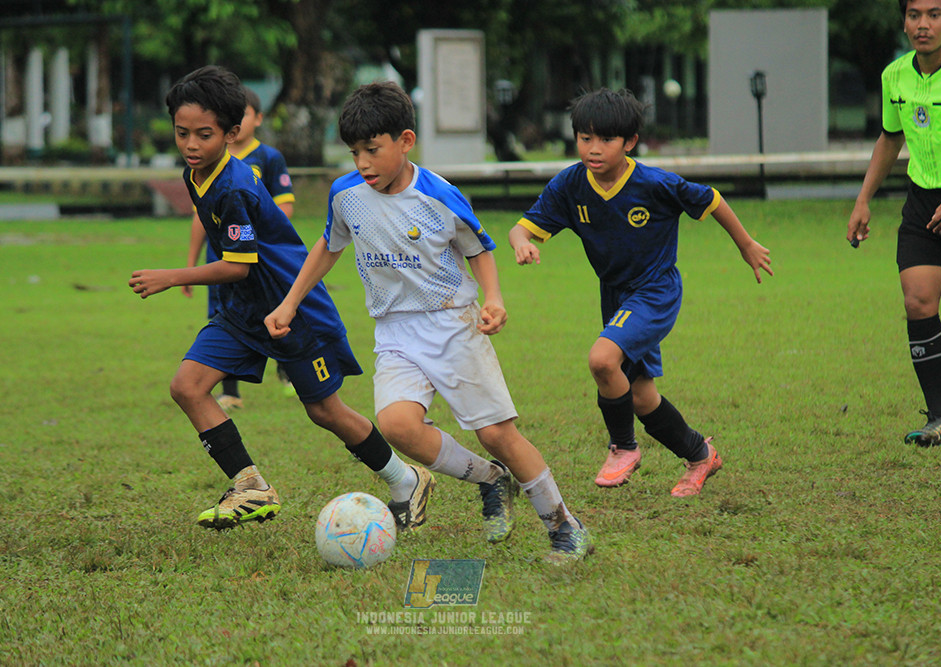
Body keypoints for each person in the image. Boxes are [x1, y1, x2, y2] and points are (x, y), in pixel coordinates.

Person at [264, 81, 593, 564]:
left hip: (451, 324)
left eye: (373, 150)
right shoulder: (345, 195)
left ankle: (565, 526)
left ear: (405, 140)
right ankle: (490, 480)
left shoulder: (440, 196)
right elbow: (328, 247)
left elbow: (479, 251)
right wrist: (290, 302)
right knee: (396, 424)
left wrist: (494, 299)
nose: (363, 163)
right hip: (393, 330)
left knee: (498, 435)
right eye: (355, 152)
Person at [129, 66, 432, 531]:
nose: (190, 144)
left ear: (232, 134)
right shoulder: (199, 174)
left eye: (203, 135)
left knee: (324, 411)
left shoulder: (233, 187)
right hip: (244, 310)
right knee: (187, 387)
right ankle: (250, 486)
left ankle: (405, 478)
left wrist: (173, 275)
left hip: (289, 309)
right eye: (182, 133)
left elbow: (238, 264)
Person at [509, 88, 772, 497]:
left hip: (655, 290)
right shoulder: (571, 185)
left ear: (630, 142)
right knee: (641, 396)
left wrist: (745, 244)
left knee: (602, 360)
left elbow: (711, 199)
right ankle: (701, 455)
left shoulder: (653, 183)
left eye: (606, 139)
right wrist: (522, 242)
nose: (593, 149)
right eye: (585, 138)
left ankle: (624, 448)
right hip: (615, 295)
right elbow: (521, 227)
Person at [848, 0, 941, 447]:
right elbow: (891, 137)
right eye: (914, 15)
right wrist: (863, 199)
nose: (923, 25)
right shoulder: (895, 76)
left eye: (935, 14)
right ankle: (939, 417)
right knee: (918, 302)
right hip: (923, 202)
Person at [182, 86, 297, 411]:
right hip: (220, 259)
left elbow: (284, 207)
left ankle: (289, 371)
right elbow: (200, 219)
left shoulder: (268, 158)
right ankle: (230, 391)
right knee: (221, 316)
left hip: (258, 259)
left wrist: (254, 233)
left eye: (245, 114)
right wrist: (190, 267)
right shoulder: (204, 162)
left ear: (256, 119)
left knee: (273, 311)